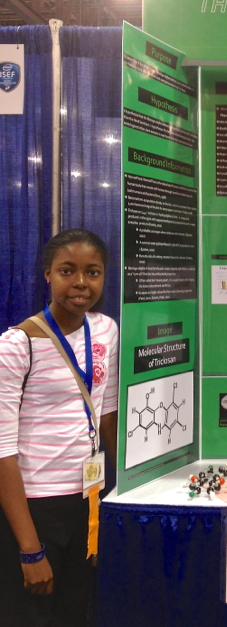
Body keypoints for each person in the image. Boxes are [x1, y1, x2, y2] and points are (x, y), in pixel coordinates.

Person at [0, 228, 118, 627]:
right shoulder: (18, 345)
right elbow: (2, 451)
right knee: (30, 614)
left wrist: (122, 490)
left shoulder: (105, 331)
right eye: (68, 271)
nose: (81, 283)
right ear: (48, 275)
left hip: (87, 499)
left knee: (75, 612)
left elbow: (107, 415)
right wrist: (30, 549)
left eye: (93, 272)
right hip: (33, 506)